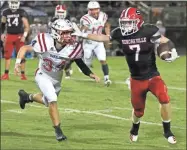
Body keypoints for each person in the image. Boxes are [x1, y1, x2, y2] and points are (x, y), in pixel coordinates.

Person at [72, 7, 179, 144]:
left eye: (129, 22)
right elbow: (103, 37)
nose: (125, 26)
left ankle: (167, 131)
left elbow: (165, 41)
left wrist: (172, 50)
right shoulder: (120, 33)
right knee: (138, 111)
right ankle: (134, 129)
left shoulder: (148, 30)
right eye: (124, 22)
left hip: (152, 75)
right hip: (136, 79)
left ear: (138, 21)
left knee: (164, 98)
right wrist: (84, 35)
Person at [14, 19, 100, 141]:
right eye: (64, 32)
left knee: (47, 101)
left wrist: (91, 74)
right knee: (52, 99)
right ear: (55, 32)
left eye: (69, 32)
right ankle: (58, 131)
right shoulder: (45, 40)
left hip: (57, 79)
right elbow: (24, 48)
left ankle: (26, 97)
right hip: (42, 75)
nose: (68, 35)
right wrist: (17, 63)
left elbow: (79, 62)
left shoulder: (72, 47)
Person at [79, 1, 112, 86]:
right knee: (87, 63)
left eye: (95, 9)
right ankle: (85, 64)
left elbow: (107, 25)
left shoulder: (103, 16)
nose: (94, 11)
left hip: (99, 41)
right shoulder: (85, 19)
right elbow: (82, 31)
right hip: (88, 42)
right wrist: (84, 29)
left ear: (99, 9)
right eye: (92, 10)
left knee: (103, 59)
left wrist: (108, 35)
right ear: (88, 10)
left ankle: (107, 78)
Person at [1, 0, 30, 80]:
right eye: (12, 2)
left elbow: (27, 26)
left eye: (15, 2)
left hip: (19, 36)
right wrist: (2, 33)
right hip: (9, 35)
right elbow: (3, 24)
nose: (14, 4)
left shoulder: (21, 12)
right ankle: (6, 74)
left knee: (21, 55)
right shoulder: (5, 12)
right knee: (7, 55)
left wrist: (24, 36)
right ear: (9, 3)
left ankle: (23, 74)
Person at [49, 4, 74, 79]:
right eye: (59, 12)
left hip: (67, 40)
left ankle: (67, 68)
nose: (60, 14)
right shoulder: (53, 20)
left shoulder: (69, 20)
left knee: (71, 57)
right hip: (56, 41)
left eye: (62, 12)